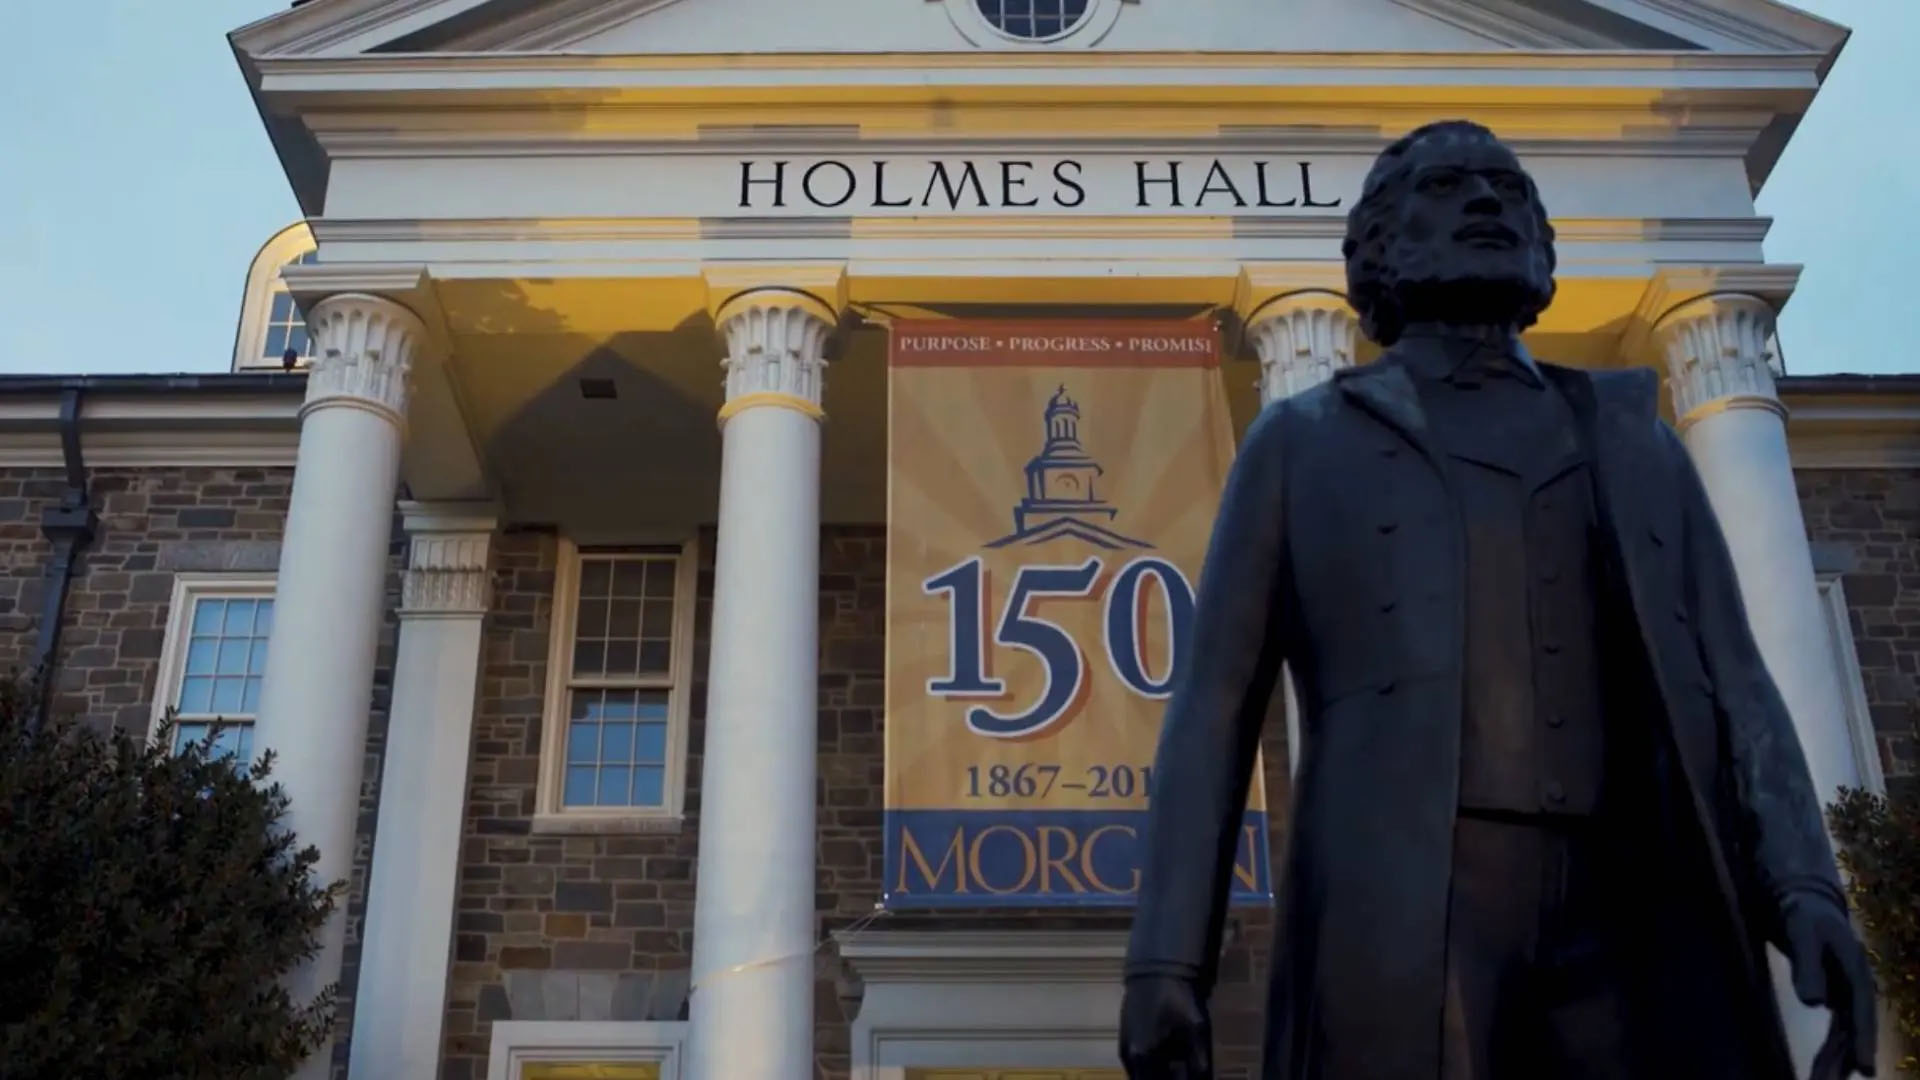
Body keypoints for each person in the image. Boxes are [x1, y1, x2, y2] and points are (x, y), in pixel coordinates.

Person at [1118, 120, 1878, 1080]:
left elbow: (1740, 687)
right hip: (1409, 905)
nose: (1487, 202)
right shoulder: (1302, 445)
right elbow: (1213, 715)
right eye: (1447, 188)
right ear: (1381, 245)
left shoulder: (1635, 443)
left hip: (1634, 906)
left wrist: (1808, 891)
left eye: (1507, 190)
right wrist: (1165, 958)